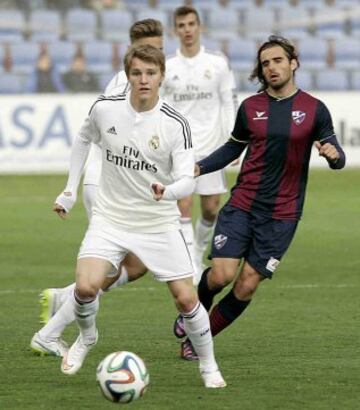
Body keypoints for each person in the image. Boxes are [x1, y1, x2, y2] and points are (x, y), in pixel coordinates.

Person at [32, 44, 226, 388]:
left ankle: (209, 366)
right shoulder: (106, 110)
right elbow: (82, 139)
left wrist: (168, 192)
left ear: (162, 76)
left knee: (186, 298)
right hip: (110, 218)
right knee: (86, 286)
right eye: (137, 73)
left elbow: (185, 179)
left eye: (151, 73)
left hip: (157, 222)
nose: (144, 80)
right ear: (128, 76)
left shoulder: (174, 124)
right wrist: (69, 190)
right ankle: (87, 338)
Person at [173, 35, 346, 360]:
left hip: (282, 215)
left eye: (278, 60)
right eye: (265, 63)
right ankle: (192, 314)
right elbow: (233, 147)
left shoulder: (314, 109)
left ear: (293, 63)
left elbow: (339, 157)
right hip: (243, 205)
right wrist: (198, 168)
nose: (272, 67)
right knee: (222, 275)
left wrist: (333, 154)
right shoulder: (251, 107)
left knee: (246, 285)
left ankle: (201, 339)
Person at [31, 19, 164, 353]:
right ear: (135, 51)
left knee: (136, 265)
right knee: (111, 265)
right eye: (153, 49)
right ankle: (49, 333)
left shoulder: (147, 82)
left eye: (161, 49)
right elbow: (88, 135)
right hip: (108, 184)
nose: (161, 56)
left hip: (119, 184)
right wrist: (70, 189)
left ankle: (66, 296)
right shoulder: (127, 87)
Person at [162, 6, 237, 281]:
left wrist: (234, 140)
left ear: (200, 27)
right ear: (175, 30)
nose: (187, 29)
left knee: (210, 208)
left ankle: (198, 249)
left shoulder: (217, 63)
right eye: (181, 25)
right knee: (183, 205)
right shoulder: (168, 66)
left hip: (213, 147)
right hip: (180, 148)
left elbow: (228, 101)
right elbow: (161, 106)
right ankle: (188, 263)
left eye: (191, 24)